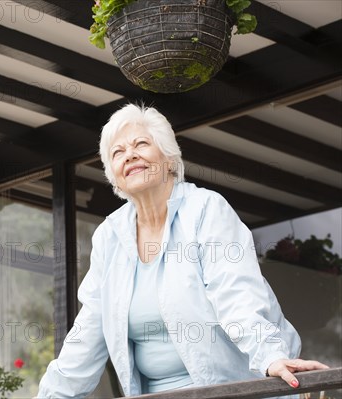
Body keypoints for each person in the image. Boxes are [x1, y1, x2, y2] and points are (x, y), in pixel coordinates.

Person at [36, 104, 328, 398]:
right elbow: (87, 333)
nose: (130, 155)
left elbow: (237, 295)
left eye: (141, 144)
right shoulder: (109, 236)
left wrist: (270, 356)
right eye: (118, 152)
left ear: (169, 159)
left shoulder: (205, 210)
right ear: (113, 174)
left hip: (229, 392)